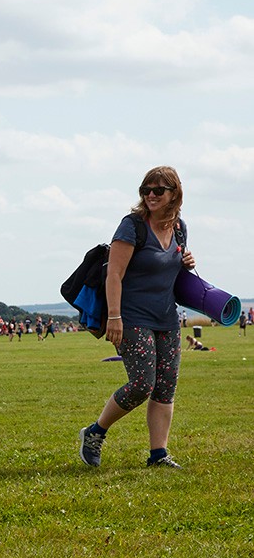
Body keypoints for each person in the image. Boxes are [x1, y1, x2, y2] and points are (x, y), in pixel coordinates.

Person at [78, 166, 195, 470]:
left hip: (167, 318)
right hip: (132, 317)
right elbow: (114, 275)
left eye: (158, 190)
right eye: (146, 190)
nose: (151, 195)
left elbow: (169, 269)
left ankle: (159, 454)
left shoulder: (179, 227)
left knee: (165, 388)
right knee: (143, 383)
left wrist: (186, 261)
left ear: (174, 194)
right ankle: (95, 432)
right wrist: (114, 317)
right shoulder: (132, 226)